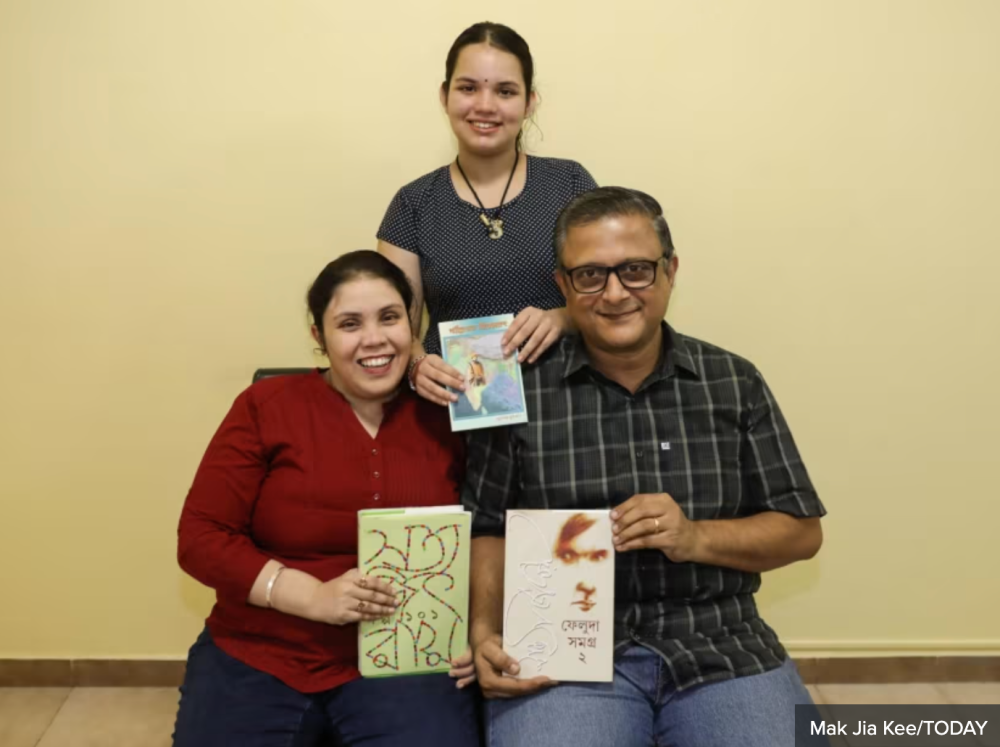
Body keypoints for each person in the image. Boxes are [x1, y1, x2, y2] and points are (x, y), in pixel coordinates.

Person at [462, 188, 828, 747]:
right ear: (562, 285)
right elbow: (487, 526)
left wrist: (694, 537)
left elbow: (801, 532)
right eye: (589, 275)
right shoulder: (511, 388)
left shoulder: (733, 381)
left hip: (719, 641)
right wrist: (484, 630)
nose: (614, 294)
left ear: (670, 271)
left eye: (635, 270)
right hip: (562, 647)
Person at [173, 251, 480, 747]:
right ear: (318, 337)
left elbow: (491, 531)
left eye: (389, 317)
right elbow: (201, 539)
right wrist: (311, 595)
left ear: (412, 325)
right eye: (349, 323)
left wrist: (480, 630)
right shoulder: (266, 407)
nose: (374, 339)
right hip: (261, 649)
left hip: (407, 654)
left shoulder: (450, 414)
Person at [377, 21, 598, 407]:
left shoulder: (571, 184)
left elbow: (611, 297)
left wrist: (562, 318)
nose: (485, 105)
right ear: (445, 96)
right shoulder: (412, 204)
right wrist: (416, 366)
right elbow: (395, 327)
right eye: (468, 88)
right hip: (457, 409)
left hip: (568, 409)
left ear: (530, 102)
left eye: (505, 91)